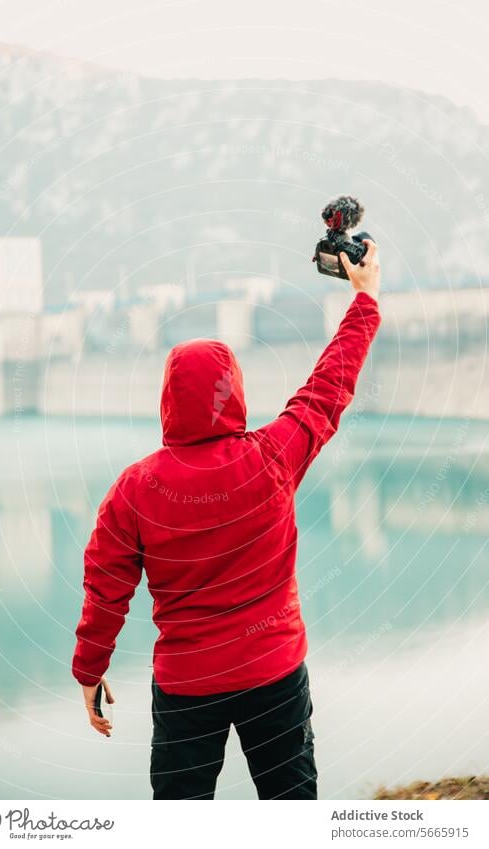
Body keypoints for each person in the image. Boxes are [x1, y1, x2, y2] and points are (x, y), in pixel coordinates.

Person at [72, 242, 381, 800]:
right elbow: (328, 387)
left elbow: (105, 588)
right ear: (233, 389)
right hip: (276, 671)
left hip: (187, 688)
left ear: (169, 397)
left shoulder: (134, 490)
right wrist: (364, 298)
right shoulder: (274, 455)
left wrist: (89, 669)